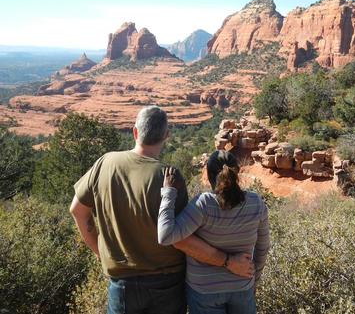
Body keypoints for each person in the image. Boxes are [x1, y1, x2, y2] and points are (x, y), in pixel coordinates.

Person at [69, 106, 254, 314]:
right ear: (166, 136)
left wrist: (100, 252)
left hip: (122, 284)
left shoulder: (105, 163)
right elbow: (181, 238)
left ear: (135, 132)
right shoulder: (170, 176)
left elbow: (77, 211)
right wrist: (228, 262)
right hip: (167, 284)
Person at [158, 150, 270, 314]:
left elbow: (166, 235)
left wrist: (168, 192)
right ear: (236, 172)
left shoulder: (204, 204)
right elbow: (263, 248)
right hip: (242, 286)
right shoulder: (256, 203)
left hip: (204, 291)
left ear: (209, 175)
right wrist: (254, 279)